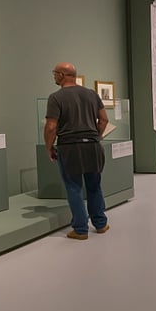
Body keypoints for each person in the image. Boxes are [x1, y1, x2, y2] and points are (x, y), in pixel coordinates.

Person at [44, 62, 110, 239]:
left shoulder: (55, 98)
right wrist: (96, 136)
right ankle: (101, 224)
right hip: (93, 147)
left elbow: (51, 127)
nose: (54, 76)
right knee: (94, 186)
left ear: (62, 75)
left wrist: (49, 147)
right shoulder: (91, 94)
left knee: (74, 188)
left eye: (55, 73)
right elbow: (103, 119)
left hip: (70, 148)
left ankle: (80, 229)